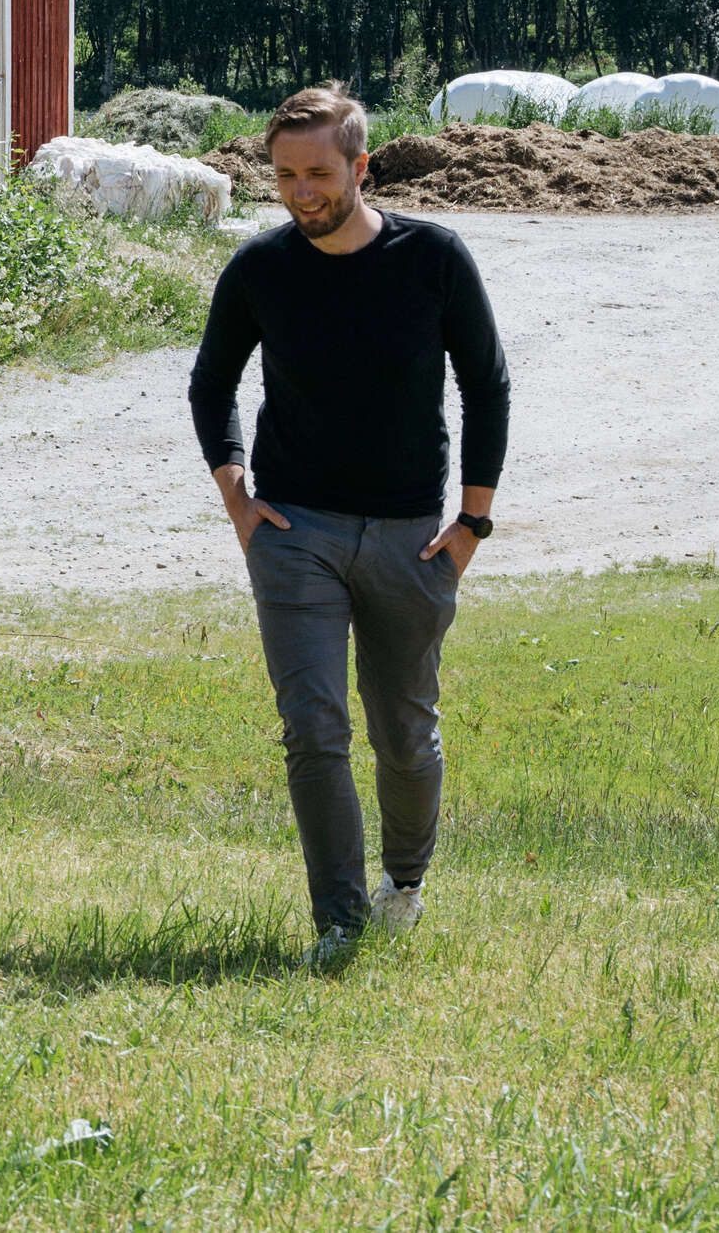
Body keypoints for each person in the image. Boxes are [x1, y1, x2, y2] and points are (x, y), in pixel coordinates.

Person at [189, 86, 509, 966]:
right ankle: (338, 922)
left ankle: (403, 883)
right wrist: (238, 500)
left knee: (403, 730)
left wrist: (473, 521)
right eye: (286, 175)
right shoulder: (260, 269)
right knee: (314, 725)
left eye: (320, 174)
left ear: (361, 167)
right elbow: (211, 383)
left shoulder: (433, 257)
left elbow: (487, 384)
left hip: (412, 535)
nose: (301, 192)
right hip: (295, 532)